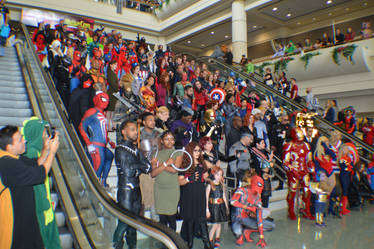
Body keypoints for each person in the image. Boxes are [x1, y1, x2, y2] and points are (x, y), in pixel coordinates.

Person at [0, 125, 59, 249]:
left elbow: (36, 164)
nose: (24, 141)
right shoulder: (6, 164)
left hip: (26, 222)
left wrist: (46, 150)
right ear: (9, 147)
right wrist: (52, 153)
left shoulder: (13, 158)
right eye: (20, 139)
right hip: (15, 228)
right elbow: (40, 174)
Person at [22, 118, 62, 249]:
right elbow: (38, 176)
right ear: (36, 134)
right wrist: (51, 152)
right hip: (40, 210)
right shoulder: (31, 152)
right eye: (44, 134)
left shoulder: (37, 150)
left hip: (44, 208)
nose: (47, 136)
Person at [113, 120, 153, 249]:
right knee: (124, 222)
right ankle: (116, 246)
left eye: (136, 129)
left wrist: (138, 167)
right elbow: (129, 171)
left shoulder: (135, 149)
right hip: (126, 191)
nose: (136, 132)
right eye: (132, 129)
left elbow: (148, 167)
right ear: (124, 132)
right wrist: (139, 167)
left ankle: (132, 247)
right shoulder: (120, 149)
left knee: (133, 224)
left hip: (135, 190)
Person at [178, 142, 212, 249]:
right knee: (190, 219)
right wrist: (189, 178)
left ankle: (207, 244)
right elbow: (180, 182)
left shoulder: (202, 163)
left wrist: (212, 178)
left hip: (200, 193)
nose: (197, 153)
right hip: (188, 194)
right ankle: (190, 244)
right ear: (189, 151)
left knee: (202, 219)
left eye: (199, 150)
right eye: (195, 150)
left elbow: (206, 177)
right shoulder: (184, 164)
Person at [79, 91, 115, 187]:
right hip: (96, 145)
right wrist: (89, 144)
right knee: (96, 170)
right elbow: (81, 127)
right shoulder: (92, 111)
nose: (106, 101)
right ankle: (93, 187)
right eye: (103, 99)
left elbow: (102, 130)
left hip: (100, 146)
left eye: (107, 99)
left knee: (110, 156)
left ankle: (103, 181)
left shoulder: (101, 113)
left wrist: (109, 140)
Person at [231, 171, 275, 247]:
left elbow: (259, 217)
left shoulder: (257, 198)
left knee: (271, 226)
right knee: (237, 231)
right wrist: (249, 208)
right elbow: (233, 202)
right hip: (237, 218)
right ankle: (240, 235)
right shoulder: (241, 190)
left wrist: (261, 236)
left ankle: (248, 230)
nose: (256, 191)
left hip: (247, 219)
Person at [151, 131, 182, 231]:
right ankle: (164, 242)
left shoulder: (178, 153)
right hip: (159, 189)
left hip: (172, 190)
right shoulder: (156, 154)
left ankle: (172, 242)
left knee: (171, 218)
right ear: (162, 141)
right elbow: (153, 174)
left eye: (172, 139)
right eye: (167, 139)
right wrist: (165, 164)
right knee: (162, 219)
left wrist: (159, 165)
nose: (170, 141)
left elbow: (174, 170)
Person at [282, 127, 315, 220]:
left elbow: (309, 159)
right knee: (292, 192)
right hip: (294, 171)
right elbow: (285, 162)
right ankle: (291, 210)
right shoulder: (289, 145)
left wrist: (312, 168)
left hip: (304, 171)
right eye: (298, 134)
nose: (300, 136)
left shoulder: (306, 145)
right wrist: (293, 171)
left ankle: (306, 210)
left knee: (307, 192)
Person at [139, 112, 160, 220]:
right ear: (144, 122)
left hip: (157, 169)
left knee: (156, 199)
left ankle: (156, 223)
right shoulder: (139, 135)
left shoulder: (158, 134)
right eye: (150, 120)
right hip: (144, 170)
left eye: (154, 120)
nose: (153, 122)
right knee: (144, 199)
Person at [206, 166, 229, 249]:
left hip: (221, 205)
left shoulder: (221, 184)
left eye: (221, 175)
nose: (219, 177)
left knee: (219, 224)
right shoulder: (210, 185)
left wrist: (226, 207)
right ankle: (209, 242)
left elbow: (224, 196)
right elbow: (206, 198)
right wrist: (207, 209)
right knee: (215, 225)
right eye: (217, 174)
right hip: (213, 206)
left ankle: (217, 240)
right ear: (213, 174)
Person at [337, 144, 354, 215]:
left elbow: (351, 165)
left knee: (346, 190)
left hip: (347, 174)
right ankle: (342, 208)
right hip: (344, 174)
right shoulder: (342, 158)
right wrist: (349, 167)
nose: (347, 150)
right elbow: (344, 166)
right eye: (346, 149)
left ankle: (344, 207)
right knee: (344, 190)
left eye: (347, 149)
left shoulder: (348, 157)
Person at [106, 60, 119, 131]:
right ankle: (108, 126)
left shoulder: (113, 73)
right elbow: (112, 83)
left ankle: (112, 125)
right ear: (111, 65)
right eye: (114, 65)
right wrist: (117, 89)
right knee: (109, 111)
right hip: (111, 93)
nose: (116, 66)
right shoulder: (110, 73)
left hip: (113, 93)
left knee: (112, 111)